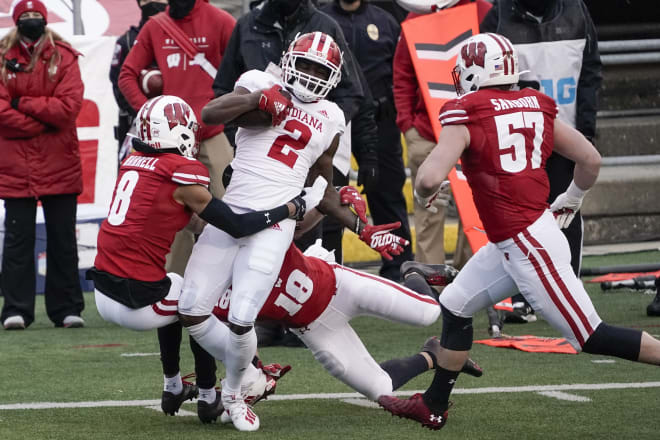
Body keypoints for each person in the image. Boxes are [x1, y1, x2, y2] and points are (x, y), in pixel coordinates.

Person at [377, 33, 660, 431]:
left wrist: (431, 185)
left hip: (528, 243)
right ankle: (434, 404)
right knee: (456, 305)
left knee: (590, 335)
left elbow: (426, 179)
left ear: (476, 72)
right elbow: (590, 159)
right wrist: (573, 197)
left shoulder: (468, 109)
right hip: (521, 236)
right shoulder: (538, 104)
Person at [178, 32, 408, 432]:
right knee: (191, 309)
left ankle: (234, 393)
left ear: (334, 77)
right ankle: (251, 374)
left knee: (242, 316)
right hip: (232, 210)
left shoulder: (333, 116)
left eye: (321, 70)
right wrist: (260, 100)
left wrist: (363, 228)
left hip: (276, 223)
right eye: (306, 65)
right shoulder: (257, 81)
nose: (312, 75)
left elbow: (323, 187)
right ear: (288, 61)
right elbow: (211, 114)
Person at [86, 95, 317, 422]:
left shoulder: (133, 162)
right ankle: (217, 392)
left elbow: (175, 216)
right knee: (197, 303)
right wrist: (289, 209)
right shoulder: (181, 172)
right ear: (179, 133)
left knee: (175, 286)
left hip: (102, 292)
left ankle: (173, 386)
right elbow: (237, 226)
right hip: (134, 301)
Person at [206, 239, 483, 425]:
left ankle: (413, 273)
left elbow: (310, 213)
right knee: (381, 388)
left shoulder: (265, 235)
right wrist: (248, 373)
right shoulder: (216, 292)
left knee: (428, 312)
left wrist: (357, 224)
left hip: (340, 286)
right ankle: (431, 354)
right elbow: (236, 336)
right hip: (314, 328)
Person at [481, 0, 603, 323]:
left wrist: (586, 130)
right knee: (523, 218)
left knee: (567, 211)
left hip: (566, 132)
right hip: (519, 137)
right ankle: (525, 296)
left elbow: (591, 72)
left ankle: (570, 286)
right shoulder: (498, 15)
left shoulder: (577, 10)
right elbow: (483, 81)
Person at [118, 0, 236, 277]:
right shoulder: (155, 26)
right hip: (172, 144)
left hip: (212, 134)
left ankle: (235, 289)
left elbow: (243, 71)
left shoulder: (219, 20)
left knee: (234, 210)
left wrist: (225, 110)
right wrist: (152, 114)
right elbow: (127, 75)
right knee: (173, 219)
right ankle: (170, 295)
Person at [0, 0, 85, 330]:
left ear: (45, 20)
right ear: (17, 20)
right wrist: (40, 121)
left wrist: (23, 103)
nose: (32, 21)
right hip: (15, 165)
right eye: (26, 17)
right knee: (17, 241)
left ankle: (67, 309)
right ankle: (15, 310)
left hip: (59, 161)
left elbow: (68, 108)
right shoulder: (3, 56)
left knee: (62, 238)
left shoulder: (64, 55)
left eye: (37, 16)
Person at [393, 0, 492, 266]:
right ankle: (431, 289)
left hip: (472, 133)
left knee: (476, 211)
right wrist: (409, 126)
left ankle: (468, 283)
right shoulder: (415, 16)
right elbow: (402, 74)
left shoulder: (485, 11)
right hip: (425, 133)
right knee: (428, 216)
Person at [322, 0, 413, 281]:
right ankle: (327, 265)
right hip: (333, 120)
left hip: (380, 121)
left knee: (386, 191)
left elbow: (400, 72)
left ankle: (397, 265)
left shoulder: (385, 22)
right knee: (328, 191)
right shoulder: (322, 20)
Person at [109, 0, 168, 162]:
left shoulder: (178, 36)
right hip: (134, 121)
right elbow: (118, 83)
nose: (154, 2)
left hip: (173, 122)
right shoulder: (126, 41)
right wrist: (144, 114)